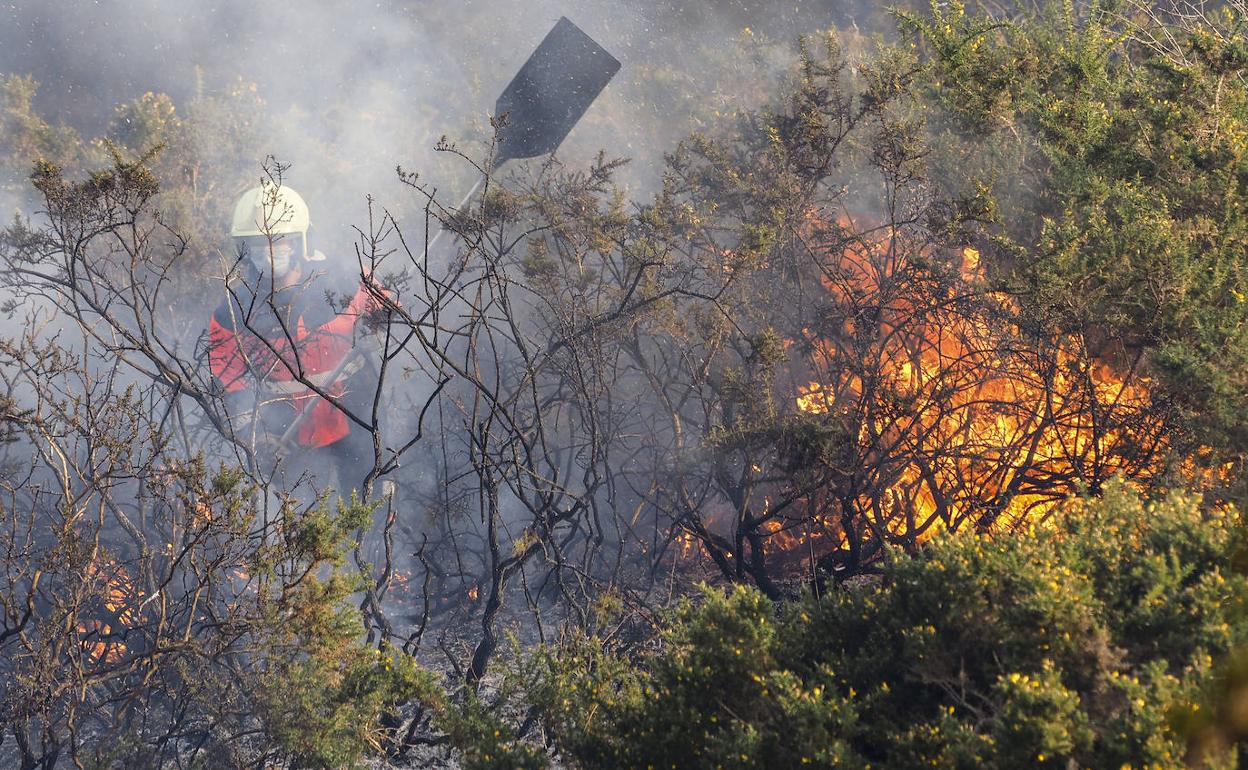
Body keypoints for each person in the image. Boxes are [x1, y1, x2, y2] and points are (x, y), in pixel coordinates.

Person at [207, 183, 385, 493]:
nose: (268, 253)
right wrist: (258, 436)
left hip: (357, 418)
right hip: (286, 437)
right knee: (303, 524)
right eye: (258, 245)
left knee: (367, 506)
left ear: (302, 241)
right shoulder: (232, 313)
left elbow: (395, 320)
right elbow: (230, 387)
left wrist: (379, 331)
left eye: (280, 242)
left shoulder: (343, 283)